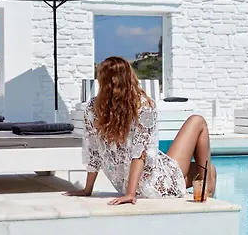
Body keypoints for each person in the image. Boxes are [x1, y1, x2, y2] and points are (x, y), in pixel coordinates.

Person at [65, 56, 217, 204]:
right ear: (130, 77)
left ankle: (206, 183)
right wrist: (131, 194)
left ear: (102, 80)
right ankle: (206, 187)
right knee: (197, 121)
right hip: (157, 184)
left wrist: (88, 189)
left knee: (207, 169)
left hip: (129, 185)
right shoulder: (142, 105)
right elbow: (139, 153)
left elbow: (93, 152)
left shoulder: (93, 108)